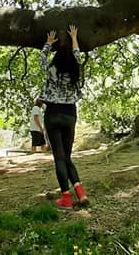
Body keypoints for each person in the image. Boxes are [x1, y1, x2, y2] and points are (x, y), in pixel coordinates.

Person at [39, 24, 89, 208]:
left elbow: (42, 59)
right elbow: (76, 53)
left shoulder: (52, 70)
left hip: (53, 113)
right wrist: (74, 37)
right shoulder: (76, 70)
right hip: (70, 114)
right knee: (67, 157)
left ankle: (66, 198)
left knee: (59, 158)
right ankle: (81, 193)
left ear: (57, 59)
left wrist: (48, 43)